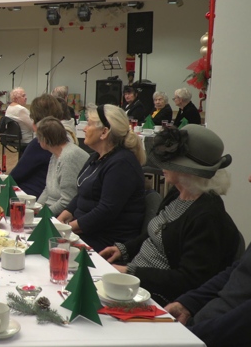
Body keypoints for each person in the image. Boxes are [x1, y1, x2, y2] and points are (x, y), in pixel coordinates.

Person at [100, 124, 238, 305]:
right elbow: (154, 234)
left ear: (190, 171)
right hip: (135, 282)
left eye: (171, 162)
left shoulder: (207, 216)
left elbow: (189, 280)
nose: (162, 165)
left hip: (156, 297)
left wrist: (130, 273)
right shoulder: (178, 193)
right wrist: (124, 250)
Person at [163, 173, 251, 347]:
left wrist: (189, 336)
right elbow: (238, 269)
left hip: (214, 336)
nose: (249, 178)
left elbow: (242, 324)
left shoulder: (207, 213)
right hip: (203, 326)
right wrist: (187, 304)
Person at [58, 104, 146, 252]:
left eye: (89, 124)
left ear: (104, 132)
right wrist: (62, 219)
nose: (84, 129)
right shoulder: (97, 157)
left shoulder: (122, 164)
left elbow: (105, 212)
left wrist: (66, 229)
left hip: (104, 242)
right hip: (87, 233)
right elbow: (82, 194)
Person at [10, 94, 66, 198]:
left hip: (30, 196)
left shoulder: (41, 143)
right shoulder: (63, 138)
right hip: (45, 194)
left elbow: (15, 176)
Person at [36, 117, 89, 216]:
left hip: (61, 215)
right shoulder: (55, 154)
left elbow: (67, 201)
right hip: (51, 210)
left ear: (44, 140)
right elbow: (48, 189)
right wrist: (36, 208)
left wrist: (41, 215)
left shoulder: (68, 156)